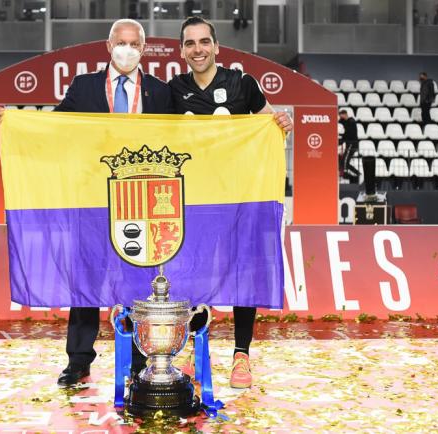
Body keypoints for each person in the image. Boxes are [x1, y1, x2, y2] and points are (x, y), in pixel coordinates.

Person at [0, 19, 174, 387]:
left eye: (134, 43)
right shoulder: (85, 86)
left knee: (138, 281)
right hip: (90, 200)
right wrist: (15, 121)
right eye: (121, 42)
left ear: (144, 48)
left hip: (139, 201)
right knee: (86, 279)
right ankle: (78, 360)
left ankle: (139, 359)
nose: (127, 49)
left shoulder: (160, 92)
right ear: (108, 46)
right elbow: (55, 130)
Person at [169, 16, 292, 390]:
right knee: (191, 274)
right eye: (190, 44)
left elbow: (269, 123)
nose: (198, 49)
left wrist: (281, 122)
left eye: (204, 41)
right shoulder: (174, 90)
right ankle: (192, 348)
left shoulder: (243, 84)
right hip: (197, 200)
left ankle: (241, 355)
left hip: (241, 197)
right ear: (182, 51)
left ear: (217, 46)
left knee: (243, 273)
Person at [338, 109, 359, 181]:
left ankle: (349, 175)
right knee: (344, 161)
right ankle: (357, 174)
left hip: (352, 144)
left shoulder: (351, 121)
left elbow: (348, 134)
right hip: (349, 143)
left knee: (345, 160)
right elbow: (339, 122)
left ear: (345, 114)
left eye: (341, 116)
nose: (341, 118)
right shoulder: (344, 121)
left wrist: (341, 139)